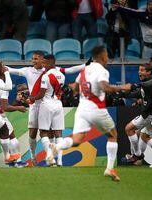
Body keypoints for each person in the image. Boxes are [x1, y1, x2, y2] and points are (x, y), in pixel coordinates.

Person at [50, 46, 131, 181]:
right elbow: (105, 87)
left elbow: (74, 87)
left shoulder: (85, 69)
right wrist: (124, 87)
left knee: (76, 141)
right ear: (102, 56)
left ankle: (56, 147)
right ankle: (110, 169)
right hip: (96, 109)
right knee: (112, 135)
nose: (107, 59)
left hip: (82, 109)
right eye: (106, 56)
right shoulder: (102, 71)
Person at [7, 51, 85, 166]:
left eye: (36, 59)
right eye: (32, 59)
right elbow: (11, 70)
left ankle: (51, 158)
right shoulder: (28, 70)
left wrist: (85, 65)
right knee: (32, 133)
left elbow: (70, 70)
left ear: (43, 60)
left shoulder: (49, 71)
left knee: (50, 133)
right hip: (35, 106)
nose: (34, 61)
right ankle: (33, 156)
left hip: (44, 103)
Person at [29, 55, 65, 166]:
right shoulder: (61, 75)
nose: (43, 65)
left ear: (49, 63)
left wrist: (32, 98)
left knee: (43, 132)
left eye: (44, 63)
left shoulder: (46, 76)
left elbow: (42, 94)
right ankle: (60, 161)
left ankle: (50, 157)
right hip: (58, 104)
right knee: (58, 134)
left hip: (47, 104)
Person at [0, 89, 28, 167]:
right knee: (12, 136)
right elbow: (5, 107)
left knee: (4, 138)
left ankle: (10, 162)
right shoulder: (2, 89)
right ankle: (18, 162)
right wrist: (18, 107)